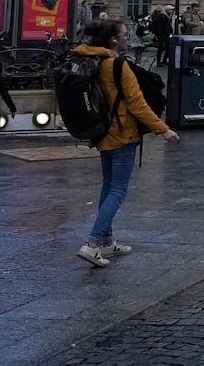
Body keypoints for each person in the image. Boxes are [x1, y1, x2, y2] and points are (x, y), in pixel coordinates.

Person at [75, 18, 179, 267]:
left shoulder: (93, 58)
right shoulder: (118, 65)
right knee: (118, 190)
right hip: (122, 133)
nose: (127, 37)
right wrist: (162, 129)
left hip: (103, 131)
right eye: (124, 34)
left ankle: (107, 242)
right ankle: (91, 243)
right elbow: (136, 103)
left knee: (108, 187)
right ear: (114, 40)